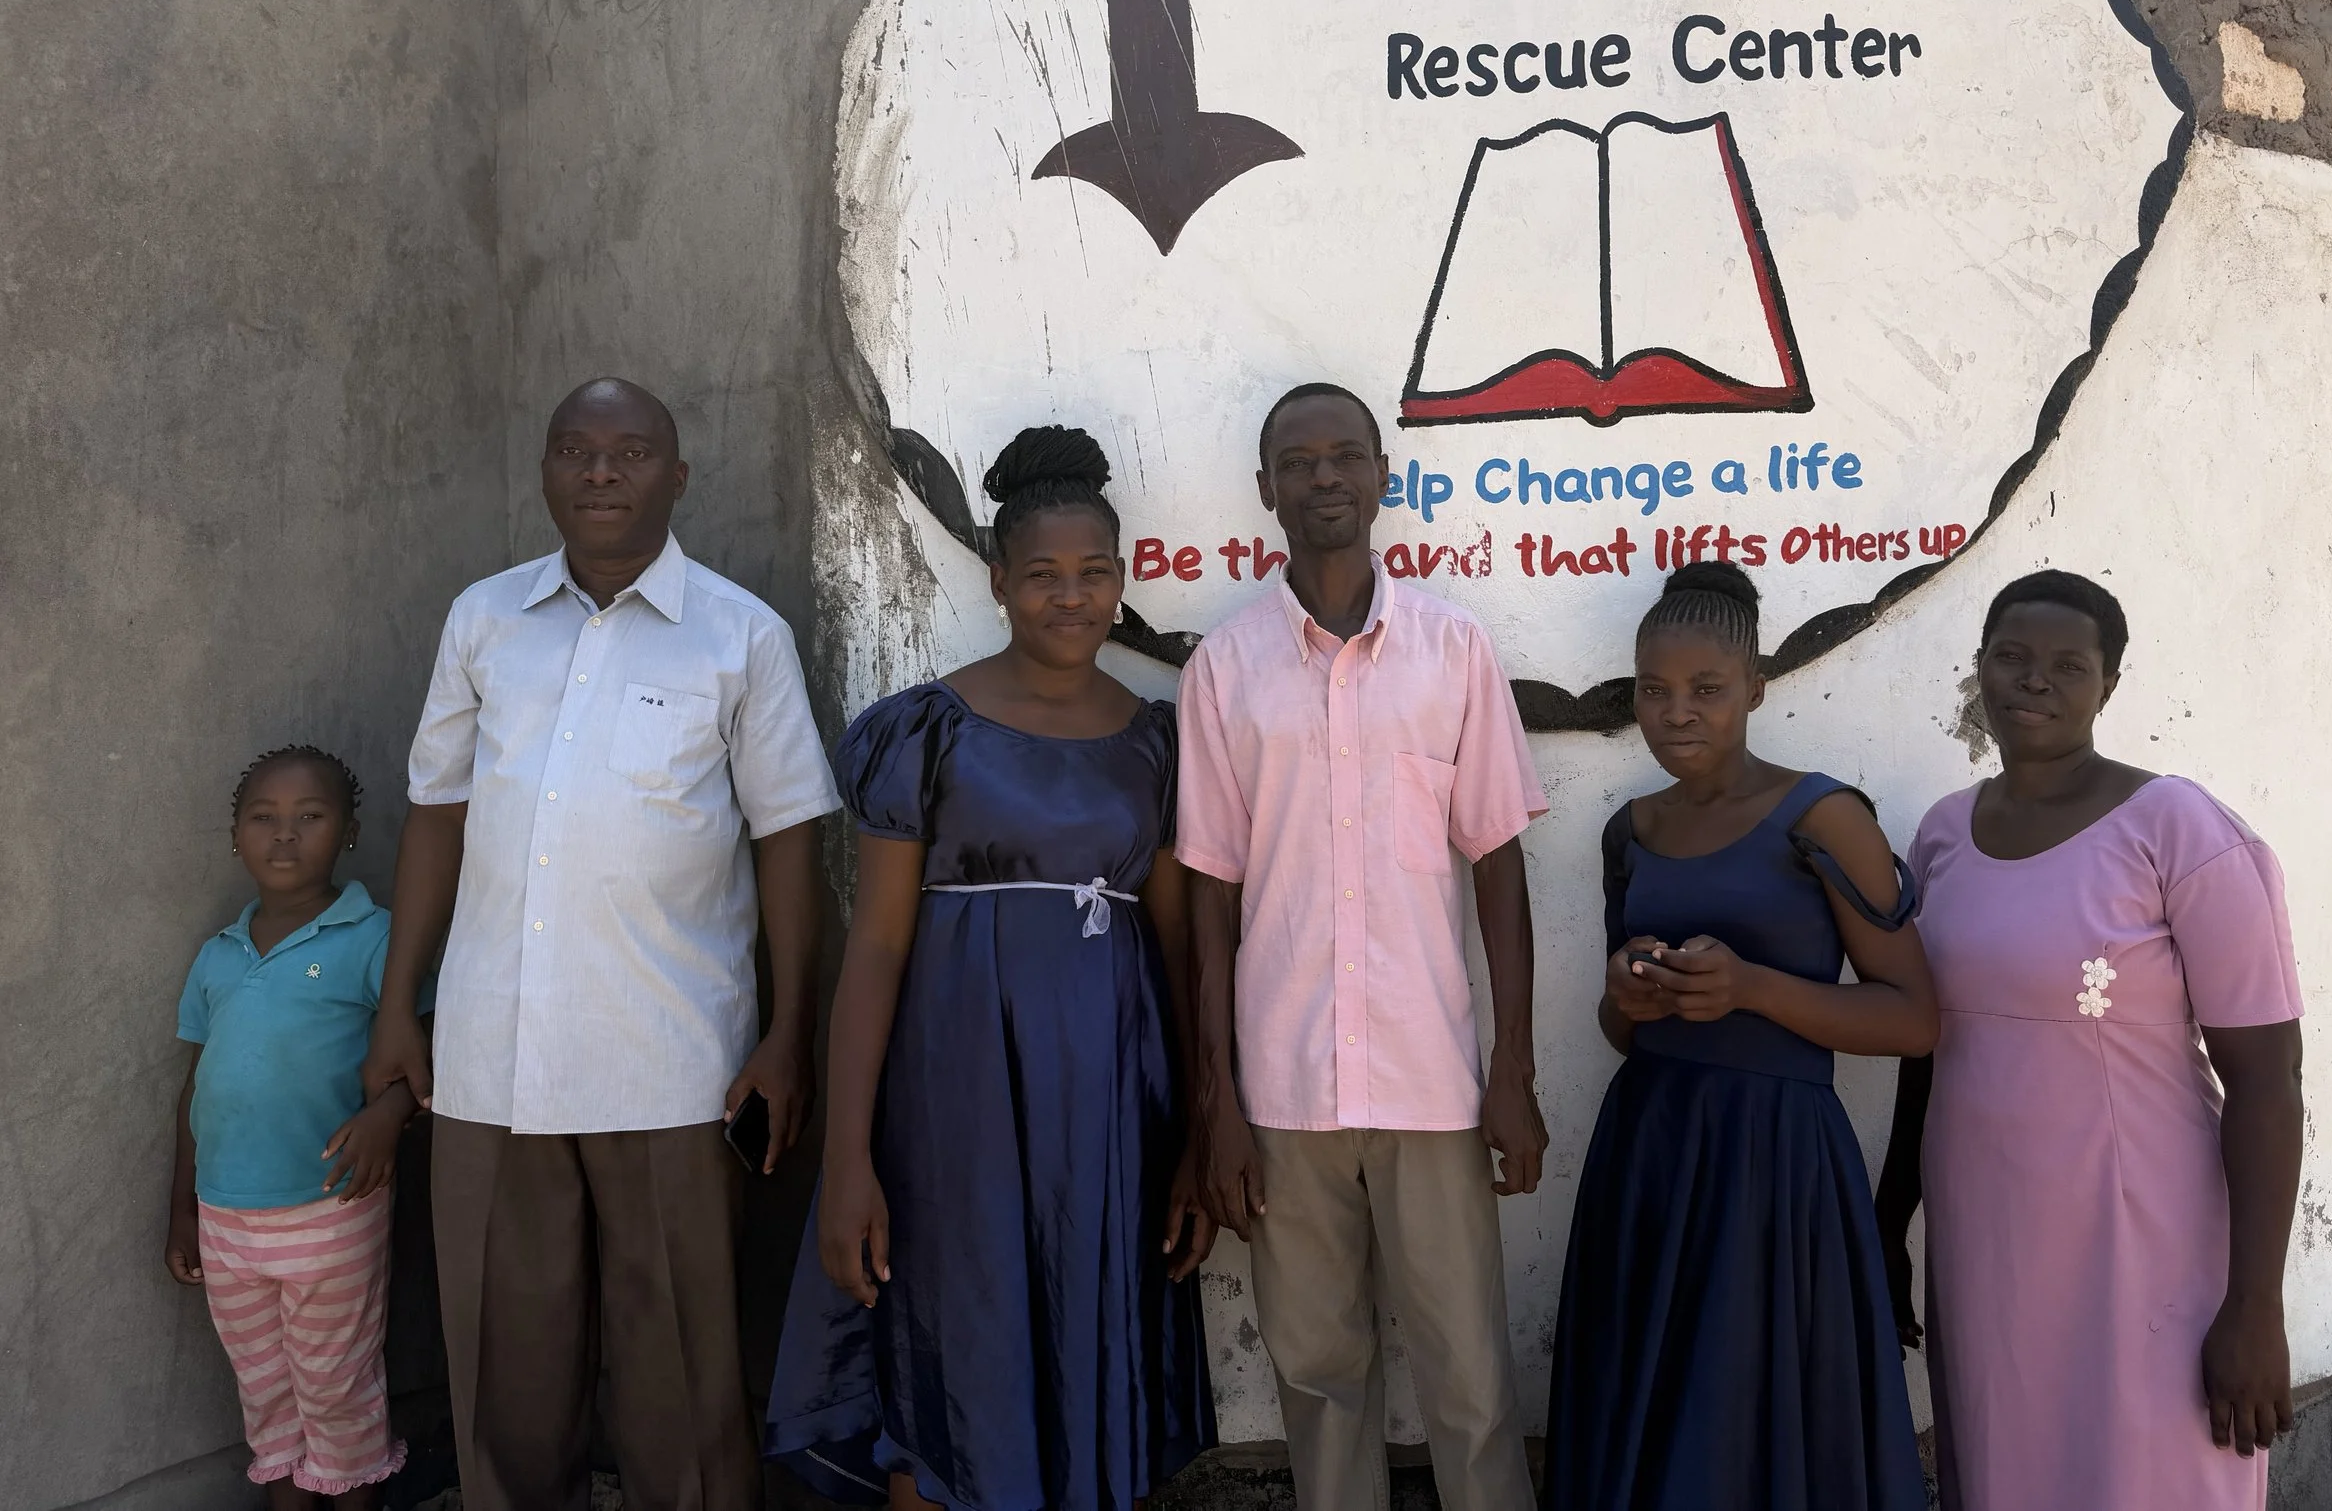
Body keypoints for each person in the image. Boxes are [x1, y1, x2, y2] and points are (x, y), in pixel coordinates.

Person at [362, 377, 839, 1511]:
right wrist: (397, 1008)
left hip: (670, 1062)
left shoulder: (741, 636)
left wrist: (787, 1034)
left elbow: (788, 840)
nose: (601, 472)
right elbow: (435, 814)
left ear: (677, 476)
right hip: (492, 1058)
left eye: (630, 452)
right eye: (575, 450)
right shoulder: (484, 620)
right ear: (545, 472)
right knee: (505, 1375)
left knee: (680, 1375)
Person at [767, 424, 1215, 1509]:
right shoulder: (929, 731)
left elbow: (1177, 946)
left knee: (1086, 1332)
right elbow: (877, 945)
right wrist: (847, 1158)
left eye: (1094, 572)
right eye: (1043, 574)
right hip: (953, 1102)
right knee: (945, 1342)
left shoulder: (1158, 742)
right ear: (1000, 583)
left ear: (1122, 579)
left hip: (1111, 1107)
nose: (1072, 596)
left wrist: (1201, 1128)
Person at [1183, 382, 1547, 1511]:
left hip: (1432, 1083)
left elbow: (1498, 865)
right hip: (1284, 1088)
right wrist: (1216, 1100)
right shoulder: (1224, 668)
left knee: (1470, 1378)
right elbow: (1208, 897)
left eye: (1346, 455)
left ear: (1384, 476)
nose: (1325, 477)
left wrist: (1513, 1069)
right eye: (1299, 461)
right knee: (1318, 1380)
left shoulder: (1452, 649)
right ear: (1266, 490)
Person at [1874, 570, 2306, 1511]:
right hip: (1984, 1232)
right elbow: (1925, 1042)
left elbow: (2269, 1080)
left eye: (2069, 665)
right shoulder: (1943, 834)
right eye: (2012, 656)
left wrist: (2256, 1305)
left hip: (2141, 1235)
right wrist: (1890, 1215)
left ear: (2109, 683)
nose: (2035, 680)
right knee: (2003, 1462)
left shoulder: (2178, 828)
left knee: (2146, 1470)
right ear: (1980, 666)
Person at [1542, 562, 1933, 1510]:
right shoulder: (1629, 830)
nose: (1677, 712)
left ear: (1755, 688)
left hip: (1778, 1162)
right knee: (1656, 1408)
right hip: (1652, 1150)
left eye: (1707, 688)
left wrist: (1752, 987)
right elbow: (1621, 1030)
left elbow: (1915, 1016)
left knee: (1753, 1410)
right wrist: (1624, 995)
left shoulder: (1825, 816)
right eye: (1654, 690)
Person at [166, 746, 421, 1510]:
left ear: (348, 831)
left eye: (309, 815)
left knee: (336, 1384)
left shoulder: (373, 937)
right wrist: (181, 1205)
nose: (284, 834)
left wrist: (389, 1114)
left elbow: (426, 1039)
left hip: (329, 1205)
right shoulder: (217, 954)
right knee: (265, 1388)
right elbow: (196, 1087)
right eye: (263, 817)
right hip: (226, 1217)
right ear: (235, 836)